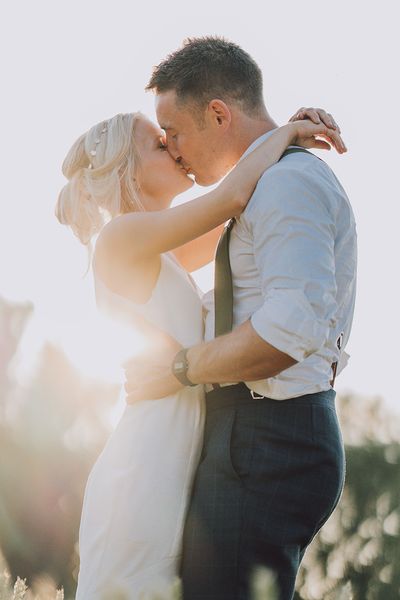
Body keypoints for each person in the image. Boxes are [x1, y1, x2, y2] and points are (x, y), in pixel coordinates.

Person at [56, 106, 344, 599]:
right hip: (147, 463)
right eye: (157, 143)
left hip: (182, 448)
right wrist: (283, 134)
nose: (172, 147)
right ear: (126, 169)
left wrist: (274, 137)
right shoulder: (120, 237)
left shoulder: (160, 250)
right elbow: (231, 196)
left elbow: (238, 211)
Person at [124, 37, 357, 600]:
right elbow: (173, 255)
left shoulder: (288, 185)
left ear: (218, 114)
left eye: (173, 132)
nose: (173, 150)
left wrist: (181, 368)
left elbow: (289, 328)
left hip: (265, 436)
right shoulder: (261, 188)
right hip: (255, 433)